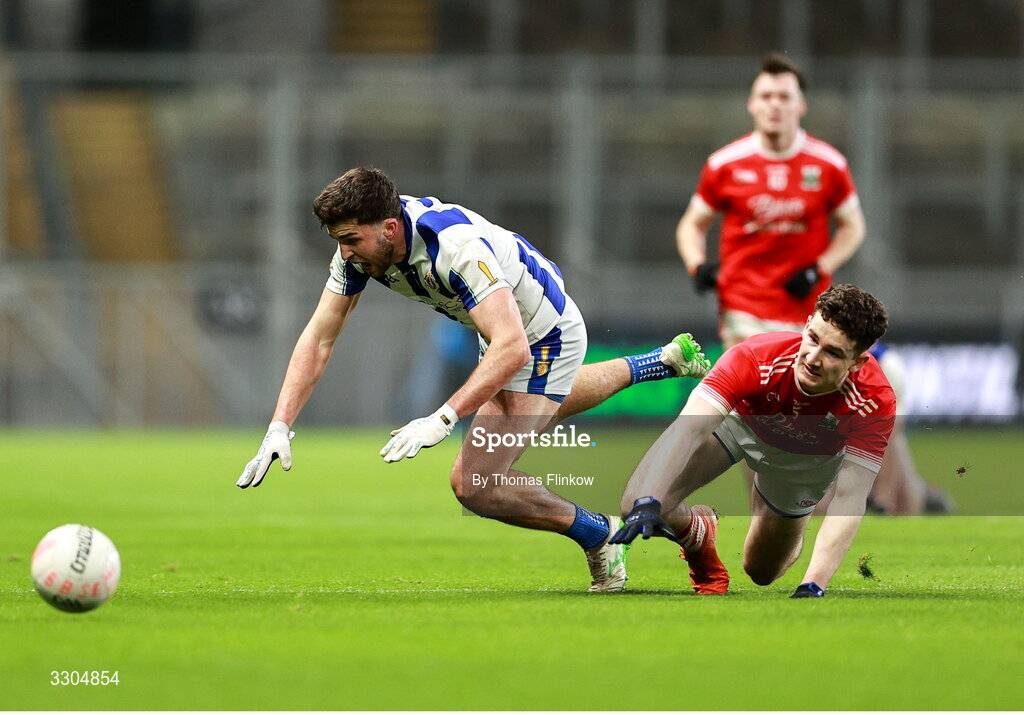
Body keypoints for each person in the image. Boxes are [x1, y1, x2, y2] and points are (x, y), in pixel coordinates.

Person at [235, 167, 711, 592]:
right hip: (499, 326)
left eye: (351, 239)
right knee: (538, 404)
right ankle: (660, 362)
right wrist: (279, 425)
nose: (344, 253)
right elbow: (319, 337)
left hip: (542, 334)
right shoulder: (360, 255)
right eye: (338, 240)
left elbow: (513, 348)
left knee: (475, 483)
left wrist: (442, 418)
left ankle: (599, 533)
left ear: (389, 227)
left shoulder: (454, 248)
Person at [609, 284, 895, 598]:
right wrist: (649, 501)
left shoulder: (873, 400)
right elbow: (688, 430)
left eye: (833, 353)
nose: (812, 358)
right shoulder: (755, 356)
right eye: (812, 338)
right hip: (739, 423)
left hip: (805, 462)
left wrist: (813, 584)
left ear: (857, 363)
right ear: (807, 324)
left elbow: (849, 499)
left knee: (761, 571)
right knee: (634, 502)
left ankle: (788, 518)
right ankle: (697, 531)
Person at [676, 52, 865, 351]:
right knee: (752, 384)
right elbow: (691, 225)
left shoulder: (829, 164)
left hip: (809, 309)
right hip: (743, 304)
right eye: (765, 96)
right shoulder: (725, 164)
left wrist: (820, 267)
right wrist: (697, 266)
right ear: (752, 104)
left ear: (801, 105)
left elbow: (853, 227)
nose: (774, 104)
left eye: (784, 97)